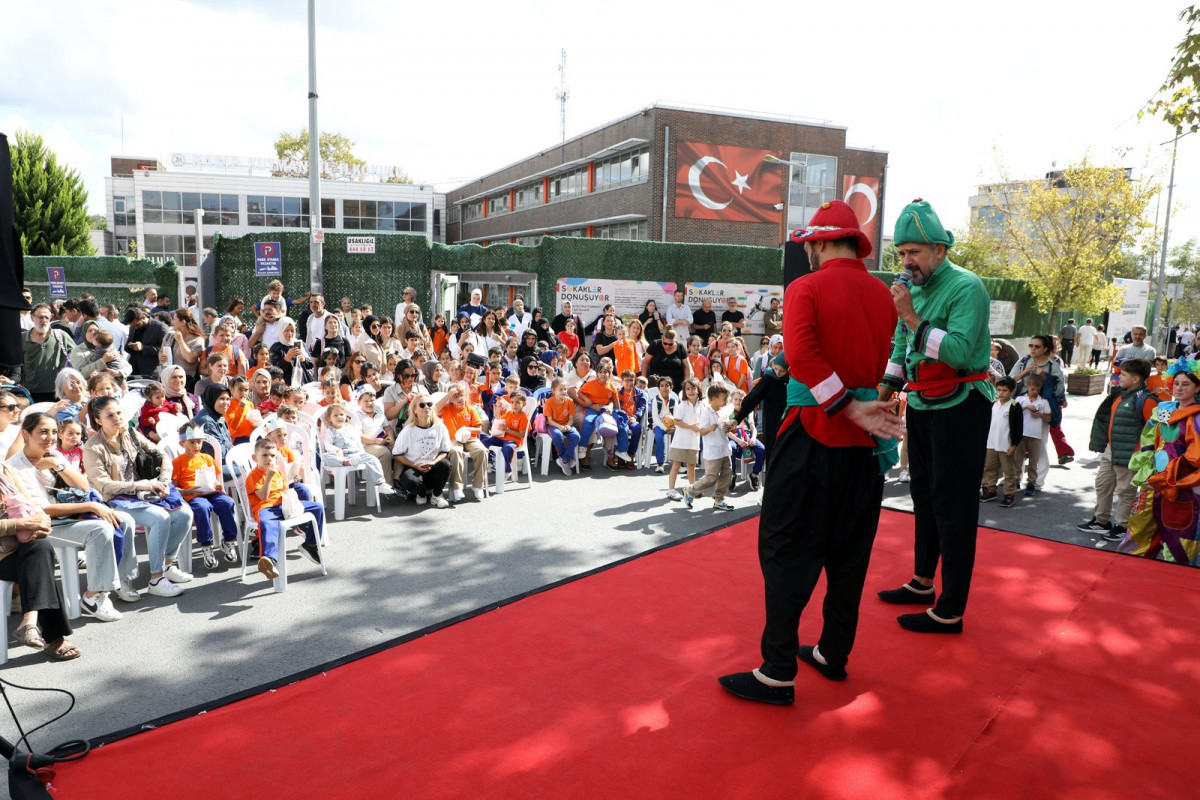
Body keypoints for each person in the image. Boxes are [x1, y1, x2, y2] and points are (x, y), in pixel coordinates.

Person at [718, 200, 900, 705]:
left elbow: (800, 357)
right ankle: (832, 653)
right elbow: (891, 359)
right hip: (865, 446)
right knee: (850, 553)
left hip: (813, 431)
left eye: (810, 245)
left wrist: (848, 406)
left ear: (819, 242)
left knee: (784, 547)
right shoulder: (883, 295)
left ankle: (776, 671)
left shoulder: (807, 287)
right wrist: (865, 407)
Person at [876, 198, 993, 636]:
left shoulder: (966, 286)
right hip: (923, 403)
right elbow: (900, 349)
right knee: (924, 497)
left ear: (939, 250)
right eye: (901, 253)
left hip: (962, 405)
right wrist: (884, 396)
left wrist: (910, 314)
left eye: (915, 252)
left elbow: (960, 352)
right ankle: (923, 581)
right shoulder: (915, 289)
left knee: (954, 506)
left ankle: (951, 610)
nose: (906, 261)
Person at [9, 412, 132, 621]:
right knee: (99, 529)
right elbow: (43, 509)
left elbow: (84, 486)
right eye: (43, 432)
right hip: (41, 526)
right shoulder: (16, 467)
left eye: (54, 432)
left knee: (124, 520)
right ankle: (94, 596)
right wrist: (92, 506)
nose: (50, 437)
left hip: (67, 516)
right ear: (26, 434)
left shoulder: (53, 454)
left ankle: (120, 581)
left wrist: (58, 465)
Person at [83, 395, 195, 598]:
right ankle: (156, 579)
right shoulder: (93, 447)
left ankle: (166, 564)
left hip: (143, 492)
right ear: (98, 420)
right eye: (110, 415)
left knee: (184, 514)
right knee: (160, 517)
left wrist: (164, 481)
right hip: (115, 499)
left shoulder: (131, 433)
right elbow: (103, 484)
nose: (117, 418)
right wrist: (139, 485)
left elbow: (162, 456)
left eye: (119, 413)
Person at [1122, 357, 1200, 564]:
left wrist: (1165, 479)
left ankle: (1174, 581)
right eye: (1176, 383)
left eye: (1186, 384)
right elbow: (1148, 441)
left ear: (1197, 388)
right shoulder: (1163, 409)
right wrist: (1148, 473)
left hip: (1183, 488)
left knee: (1179, 543)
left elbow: (1195, 457)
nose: (1179, 388)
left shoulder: (1197, 419)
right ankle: (1126, 572)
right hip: (1153, 483)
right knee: (1138, 534)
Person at [2, 460, 81, 661]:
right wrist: (20, 523)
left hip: (19, 547)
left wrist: (41, 520)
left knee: (41, 548)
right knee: (39, 562)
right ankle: (54, 638)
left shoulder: (4, 469)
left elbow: (30, 503)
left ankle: (29, 622)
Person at [1077, 358, 1158, 542]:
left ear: (1136, 379)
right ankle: (1101, 521)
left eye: (1123, 374)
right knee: (1102, 484)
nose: (1119, 376)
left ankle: (1122, 526)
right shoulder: (1120, 395)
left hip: (1130, 454)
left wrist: (1142, 453)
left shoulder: (1146, 401)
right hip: (1111, 450)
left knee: (1126, 491)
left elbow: (1154, 431)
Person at [244, 438, 325, 580]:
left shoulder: (279, 473)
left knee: (317, 508)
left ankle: (310, 544)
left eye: (272, 455)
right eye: (264, 455)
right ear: (255, 458)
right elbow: (263, 496)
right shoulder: (253, 475)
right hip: (266, 508)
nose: (269, 459)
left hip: (283, 505)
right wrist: (269, 477)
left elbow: (286, 491)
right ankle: (270, 559)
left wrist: (293, 504)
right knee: (267, 524)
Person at [172, 424, 238, 569]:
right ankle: (206, 546)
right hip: (194, 495)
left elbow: (215, 477)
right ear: (182, 443)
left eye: (199, 441)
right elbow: (174, 488)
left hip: (212, 492)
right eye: (192, 442)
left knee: (227, 503)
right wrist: (187, 491)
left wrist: (217, 484)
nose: (197, 445)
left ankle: (228, 540)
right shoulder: (178, 462)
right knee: (202, 508)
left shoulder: (207, 458)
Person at [320, 403, 396, 497]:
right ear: (329, 419)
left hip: (355, 454)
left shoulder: (350, 428)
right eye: (335, 415)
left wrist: (361, 452)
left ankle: (380, 483)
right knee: (325, 457)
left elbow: (357, 441)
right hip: (341, 456)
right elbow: (327, 445)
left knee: (373, 459)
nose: (339, 417)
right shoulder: (330, 431)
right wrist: (337, 450)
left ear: (345, 416)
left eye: (341, 414)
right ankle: (346, 462)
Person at [680, 385, 736, 511]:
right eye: (724, 398)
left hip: (724, 449)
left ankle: (719, 499)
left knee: (727, 476)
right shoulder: (706, 413)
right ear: (714, 399)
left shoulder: (723, 411)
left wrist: (729, 427)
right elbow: (701, 431)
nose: (726, 400)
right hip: (713, 451)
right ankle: (690, 490)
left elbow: (725, 429)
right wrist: (710, 428)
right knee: (711, 478)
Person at [392, 393, 452, 507]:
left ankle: (437, 495)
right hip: (414, 467)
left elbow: (444, 451)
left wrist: (434, 462)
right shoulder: (408, 430)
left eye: (429, 404)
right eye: (422, 405)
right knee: (409, 480)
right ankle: (421, 494)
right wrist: (414, 465)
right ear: (414, 410)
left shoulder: (440, 427)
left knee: (445, 465)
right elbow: (396, 454)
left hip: (433, 466)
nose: (426, 407)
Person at [434, 384, 488, 502]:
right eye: (455, 396)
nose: (459, 399)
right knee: (456, 452)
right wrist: (447, 396)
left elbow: (478, 429)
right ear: (450, 399)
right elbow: (434, 410)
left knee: (482, 451)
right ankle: (457, 487)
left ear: (466, 396)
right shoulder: (446, 408)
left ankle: (478, 485)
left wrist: (467, 429)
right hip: (452, 439)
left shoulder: (471, 409)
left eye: (461, 395)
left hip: (470, 438)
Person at [980, 376, 1023, 508]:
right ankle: (990, 490)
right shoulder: (993, 403)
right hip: (991, 443)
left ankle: (1009, 494)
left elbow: (1018, 427)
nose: (1001, 393)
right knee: (990, 468)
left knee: (1008, 470)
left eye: (1005, 390)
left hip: (1006, 444)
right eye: (999, 390)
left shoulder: (1015, 406)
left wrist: (1014, 444)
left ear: (1012, 391)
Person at [22, 303, 76, 401]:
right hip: (29, 392)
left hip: (57, 391)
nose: (44, 320)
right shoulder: (22, 338)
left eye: (46, 317)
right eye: (40, 317)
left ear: (51, 317)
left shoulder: (60, 335)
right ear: (32, 318)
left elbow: (77, 355)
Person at [665, 377, 702, 501]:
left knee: (691, 466)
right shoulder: (682, 405)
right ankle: (671, 490)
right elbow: (676, 421)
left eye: (693, 388)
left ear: (698, 390)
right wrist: (691, 427)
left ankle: (692, 488)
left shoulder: (701, 405)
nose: (690, 391)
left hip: (693, 442)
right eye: (688, 389)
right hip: (680, 441)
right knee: (676, 465)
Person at [1015, 373, 1051, 497]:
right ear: (1027, 386)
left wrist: (1040, 415)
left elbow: (1049, 418)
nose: (1035, 392)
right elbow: (1012, 414)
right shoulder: (1019, 399)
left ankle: (1031, 483)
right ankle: (1016, 480)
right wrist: (1025, 408)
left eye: (1037, 390)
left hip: (1035, 435)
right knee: (1018, 458)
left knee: (1033, 460)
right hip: (1021, 433)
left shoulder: (1043, 401)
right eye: (1033, 389)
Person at [727, 390, 765, 491]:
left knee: (762, 449)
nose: (738, 402)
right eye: (736, 399)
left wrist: (753, 438)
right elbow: (726, 431)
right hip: (734, 436)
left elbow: (753, 428)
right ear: (731, 400)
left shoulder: (748, 411)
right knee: (730, 448)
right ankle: (732, 475)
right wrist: (738, 440)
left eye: (741, 400)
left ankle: (753, 474)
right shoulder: (728, 412)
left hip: (747, 435)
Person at [543, 377, 580, 475]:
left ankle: (564, 460)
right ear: (553, 391)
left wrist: (568, 426)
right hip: (553, 425)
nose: (563, 391)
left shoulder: (569, 401)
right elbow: (550, 420)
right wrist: (559, 426)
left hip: (566, 424)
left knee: (576, 436)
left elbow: (571, 418)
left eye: (565, 389)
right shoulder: (549, 402)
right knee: (557, 435)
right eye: (560, 389)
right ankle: (566, 460)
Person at [124, 306, 169, 378]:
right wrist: (130, 346)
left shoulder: (160, 327)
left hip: (151, 371)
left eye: (137, 325)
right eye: (133, 326)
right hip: (133, 369)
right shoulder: (133, 327)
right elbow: (127, 346)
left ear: (143, 317)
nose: (135, 327)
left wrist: (143, 348)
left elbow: (165, 350)